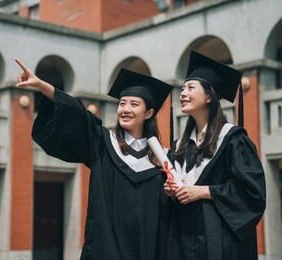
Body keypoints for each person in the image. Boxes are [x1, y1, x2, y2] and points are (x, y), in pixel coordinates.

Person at [15, 58, 173, 260]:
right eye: (122, 103)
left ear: (149, 113)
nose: (125, 109)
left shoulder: (164, 160)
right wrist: (43, 86)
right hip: (105, 251)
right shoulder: (103, 143)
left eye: (134, 104)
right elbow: (77, 114)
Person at [164, 50, 266, 260]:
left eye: (190, 88)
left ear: (209, 96)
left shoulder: (233, 141)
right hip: (183, 241)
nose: (182, 93)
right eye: (182, 88)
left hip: (219, 242)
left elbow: (252, 193)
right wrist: (172, 193)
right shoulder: (181, 147)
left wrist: (204, 192)